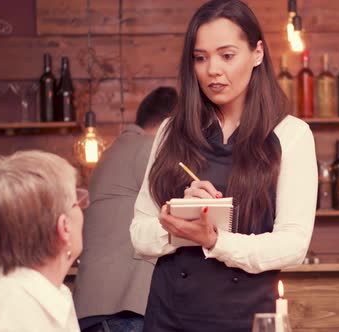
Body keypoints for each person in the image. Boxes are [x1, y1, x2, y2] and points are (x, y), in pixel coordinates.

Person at [130, 0, 318, 331]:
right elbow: (139, 235)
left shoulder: (291, 134)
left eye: (227, 55)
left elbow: (293, 246)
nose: (212, 69)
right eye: (200, 58)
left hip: (248, 318)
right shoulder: (171, 131)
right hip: (168, 315)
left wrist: (215, 240)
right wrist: (182, 219)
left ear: (257, 53)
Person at [74, 86, 178, 332]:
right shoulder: (148, 148)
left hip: (98, 307)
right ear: (172, 124)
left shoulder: (115, 152)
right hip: (121, 309)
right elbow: (188, 205)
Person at [0, 150, 86, 332]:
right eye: (77, 203)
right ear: (64, 227)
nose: (82, 209)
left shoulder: (47, 293)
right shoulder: (14, 316)